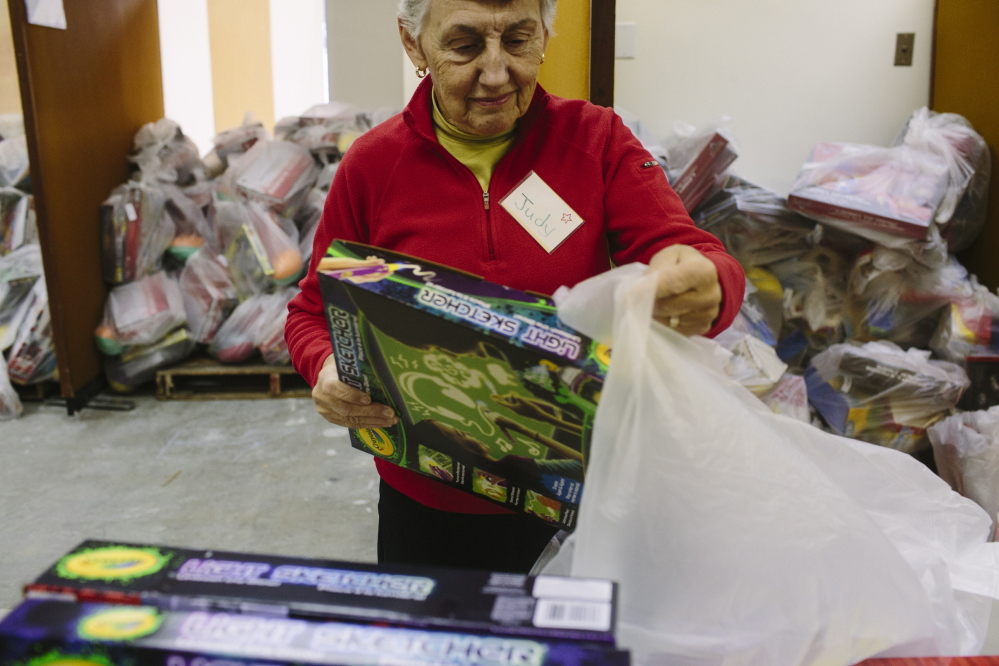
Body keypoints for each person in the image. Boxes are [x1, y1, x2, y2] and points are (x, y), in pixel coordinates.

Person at [285, 0, 746, 573]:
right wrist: (327, 367)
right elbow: (310, 311)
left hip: (580, 494)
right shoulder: (373, 166)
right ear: (413, 44)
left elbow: (690, 250)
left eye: (520, 40)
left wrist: (712, 284)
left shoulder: (595, 140)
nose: (498, 73)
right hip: (427, 501)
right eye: (465, 43)